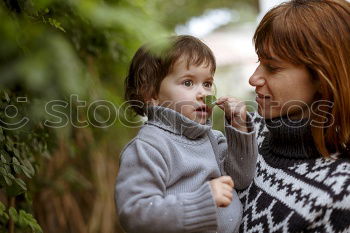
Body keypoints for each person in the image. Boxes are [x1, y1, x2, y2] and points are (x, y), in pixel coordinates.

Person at [115, 35, 258, 233]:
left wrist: (239, 125)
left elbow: (241, 179)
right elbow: (135, 214)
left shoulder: (212, 139)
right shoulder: (149, 147)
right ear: (151, 94)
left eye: (207, 83)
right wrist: (202, 203)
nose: (205, 94)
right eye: (188, 83)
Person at [239, 0, 350, 232]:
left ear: (322, 76)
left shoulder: (341, 192)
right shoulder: (251, 131)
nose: (253, 78)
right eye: (259, 61)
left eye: (272, 67)